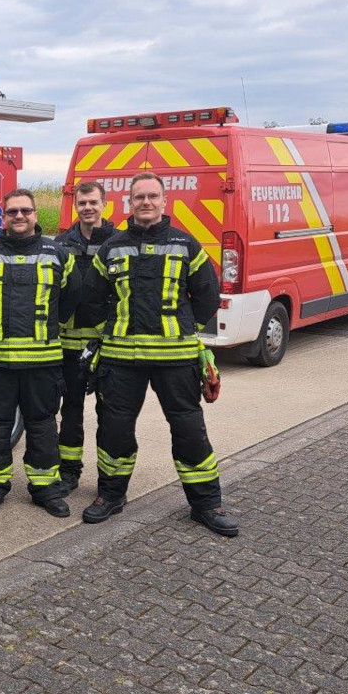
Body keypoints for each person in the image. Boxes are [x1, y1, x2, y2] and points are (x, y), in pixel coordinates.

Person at [83, 172, 239, 537]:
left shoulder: (186, 245)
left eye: (152, 196)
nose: (146, 203)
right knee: (115, 431)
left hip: (176, 358)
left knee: (189, 431)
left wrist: (184, 326)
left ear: (164, 201)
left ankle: (206, 505)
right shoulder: (112, 248)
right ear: (129, 203)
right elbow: (92, 299)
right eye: (139, 197)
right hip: (121, 359)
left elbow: (207, 296)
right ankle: (111, 495)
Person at [0, 188, 77, 518]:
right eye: (13, 211)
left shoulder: (59, 255)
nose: (19, 216)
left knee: (43, 426)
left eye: (25, 211)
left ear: (34, 215)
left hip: (42, 363)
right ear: (5, 215)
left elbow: (71, 300)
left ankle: (45, 489)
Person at [54, 181, 117, 495]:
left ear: (104, 203)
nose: (87, 208)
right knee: (71, 412)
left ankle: (108, 480)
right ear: (75, 206)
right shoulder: (61, 243)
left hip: (107, 346)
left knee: (110, 415)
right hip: (68, 347)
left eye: (93, 202)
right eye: (82, 203)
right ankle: (69, 473)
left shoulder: (120, 244)